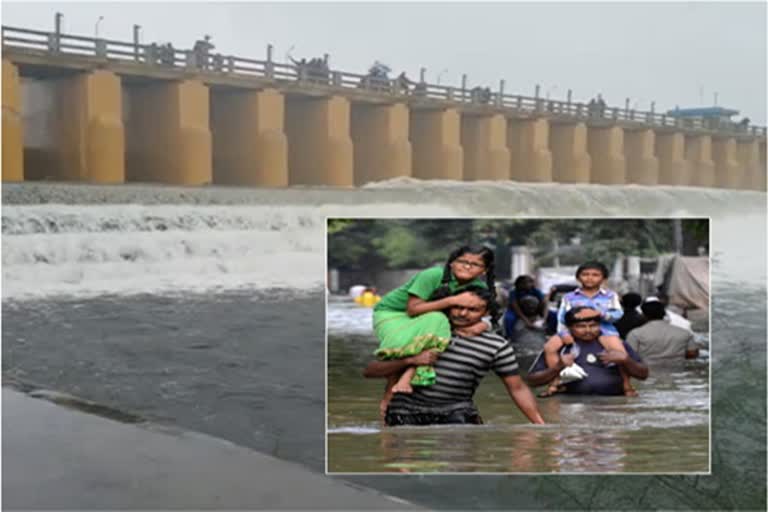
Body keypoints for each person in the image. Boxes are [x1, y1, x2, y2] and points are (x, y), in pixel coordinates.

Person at [364, 286, 545, 426]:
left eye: (473, 310)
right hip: (405, 412)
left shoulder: (496, 346)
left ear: (486, 313)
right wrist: (410, 360)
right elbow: (371, 371)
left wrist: (540, 426)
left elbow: (517, 387)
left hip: (456, 413)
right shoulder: (423, 330)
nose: (462, 313)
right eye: (457, 307)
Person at [371, 245, 500, 416]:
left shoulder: (477, 288)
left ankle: (413, 378)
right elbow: (413, 309)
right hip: (395, 314)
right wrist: (452, 299)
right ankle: (391, 393)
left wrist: (486, 324)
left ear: (485, 270)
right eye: (462, 261)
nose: (467, 267)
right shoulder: (433, 275)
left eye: (475, 264)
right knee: (436, 320)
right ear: (452, 263)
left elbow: (481, 313)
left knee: (441, 324)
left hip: (432, 319)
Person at [541, 261, 637, 396]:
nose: (590, 278)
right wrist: (563, 334)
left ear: (603, 279)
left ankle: (626, 385)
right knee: (550, 347)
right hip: (574, 331)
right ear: (578, 277)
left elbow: (618, 314)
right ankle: (555, 382)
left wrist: (601, 314)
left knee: (620, 352)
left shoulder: (610, 296)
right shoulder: (569, 297)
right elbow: (562, 317)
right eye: (585, 274)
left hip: (605, 330)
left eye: (595, 275)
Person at [526, 307, 649, 395]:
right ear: (569, 328)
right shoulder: (558, 346)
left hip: (612, 408)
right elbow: (532, 381)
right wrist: (557, 367)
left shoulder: (615, 344)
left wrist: (626, 360)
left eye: (593, 325)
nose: (588, 330)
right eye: (581, 326)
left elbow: (643, 375)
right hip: (568, 409)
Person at [626, 299, 700, 367]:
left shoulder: (635, 334)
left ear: (643, 315)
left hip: (648, 373)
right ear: (664, 314)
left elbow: (630, 356)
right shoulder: (684, 333)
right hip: (677, 371)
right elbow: (692, 354)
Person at [503, 275, 547, 341]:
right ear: (520, 284)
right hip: (516, 311)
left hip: (534, 310)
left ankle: (552, 332)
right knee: (508, 319)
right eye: (526, 283)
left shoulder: (536, 291)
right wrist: (526, 320)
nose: (529, 284)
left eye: (530, 282)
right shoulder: (513, 292)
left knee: (553, 315)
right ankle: (509, 336)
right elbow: (516, 307)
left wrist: (544, 318)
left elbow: (545, 304)